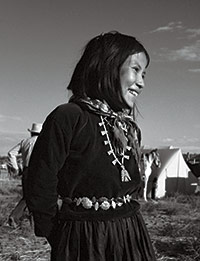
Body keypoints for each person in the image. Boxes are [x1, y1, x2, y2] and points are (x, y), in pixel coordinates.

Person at [27, 31, 156, 261]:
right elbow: (40, 181)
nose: (142, 82)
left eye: (144, 74)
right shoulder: (69, 117)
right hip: (83, 239)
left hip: (130, 235)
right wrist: (60, 236)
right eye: (135, 70)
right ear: (107, 66)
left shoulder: (127, 127)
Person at [7, 123, 42, 228]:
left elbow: (11, 153)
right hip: (39, 171)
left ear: (31, 132)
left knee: (28, 195)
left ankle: (29, 221)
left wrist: (17, 168)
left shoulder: (25, 142)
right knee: (36, 196)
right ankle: (17, 218)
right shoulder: (43, 142)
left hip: (27, 170)